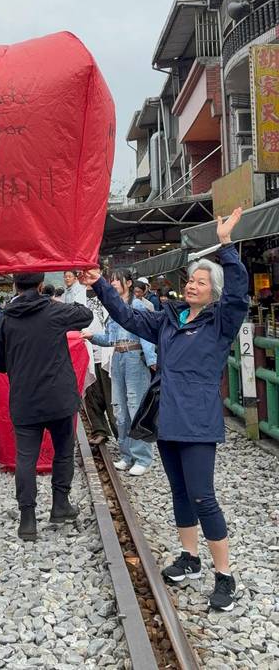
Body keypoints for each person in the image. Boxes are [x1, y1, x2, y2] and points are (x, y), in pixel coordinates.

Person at [80, 208, 248, 612]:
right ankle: (190, 559)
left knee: (203, 496)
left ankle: (225, 575)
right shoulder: (169, 321)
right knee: (179, 493)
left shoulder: (220, 323)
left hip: (198, 422)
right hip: (168, 420)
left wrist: (226, 245)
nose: (192, 285)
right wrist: (99, 284)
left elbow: (240, 293)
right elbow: (126, 315)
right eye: (191, 279)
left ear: (214, 292)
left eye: (201, 282)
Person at [0, 272, 93, 542]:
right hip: (59, 398)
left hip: (24, 399)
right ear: (40, 286)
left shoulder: (4, 319)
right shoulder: (54, 311)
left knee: (26, 458)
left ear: (14, 286)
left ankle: (27, 520)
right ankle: (60, 505)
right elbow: (85, 315)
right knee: (63, 452)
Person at [83, 271, 156, 474]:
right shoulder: (114, 310)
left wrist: (152, 361)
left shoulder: (139, 306)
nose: (113, 283)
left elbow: (147, 335)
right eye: (111, 280)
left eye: (117, 279)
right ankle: (126, 455)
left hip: (134, 357)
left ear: (129, 283)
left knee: (135, 407)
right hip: (117, 357)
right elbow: (109, 338)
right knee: (119, 410)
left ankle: (142, 458)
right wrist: (91, 336)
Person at [83, 290, 118, 446]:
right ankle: (99, 430)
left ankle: (120, 434)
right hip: (87, 352)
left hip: (107, 353)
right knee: (90, 394)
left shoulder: (109, 297)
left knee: (111, 396)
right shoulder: (77, 296)